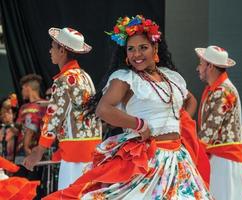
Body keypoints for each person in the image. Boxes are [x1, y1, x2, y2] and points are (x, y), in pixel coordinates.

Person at [44, 15, 212, 199]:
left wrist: (180, 122)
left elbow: (190, 100)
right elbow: (103, 109)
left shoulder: (170, 77)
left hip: (178, 158)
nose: (136, 54)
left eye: (143, 48)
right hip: (148, 159)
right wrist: (139, 124)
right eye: (131, 49)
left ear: (155, 48)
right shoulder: (125, 77)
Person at [23, 27, 102, 190]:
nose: (50, 50)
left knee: (69, 195)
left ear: (62, 50)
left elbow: (53, 117)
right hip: (92, 150)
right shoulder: (85, 76)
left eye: (52, 46)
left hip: (75, 155)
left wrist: (39, 150)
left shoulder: (64, 80)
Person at [195, 45, 242, 200]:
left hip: (223, 159)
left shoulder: (222, 91)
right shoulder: (219, 89)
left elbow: (209, 131)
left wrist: (189, 153)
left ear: (210, 66)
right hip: (221, 158)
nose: (198, 68)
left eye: (201, 64)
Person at [16, 74, 48, 156]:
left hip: (38, 150)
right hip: (21, 150)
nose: (22, 92)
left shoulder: (45, 105)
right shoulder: (23, 107)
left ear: (27, 87)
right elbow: (18, 127)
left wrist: (27, 147)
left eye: (22, 88)